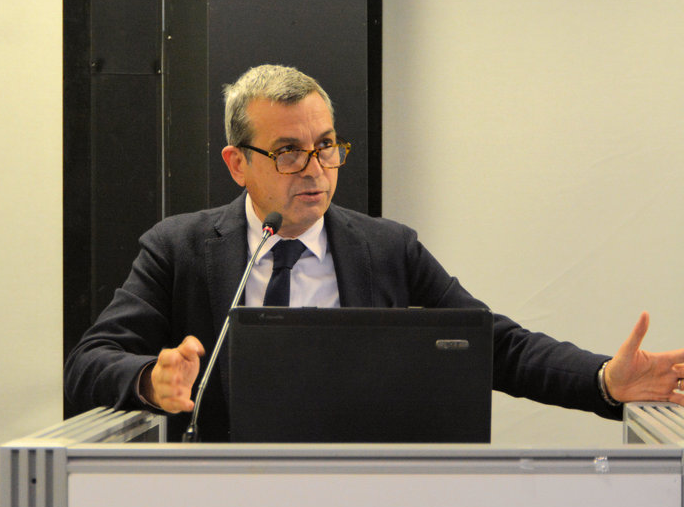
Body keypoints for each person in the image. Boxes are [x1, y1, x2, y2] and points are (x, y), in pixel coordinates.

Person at [64, 64, 684, 442]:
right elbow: (88, 363)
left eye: (327, 145)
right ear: (237, 164)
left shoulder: (387, 248)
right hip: (223, 493)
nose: (316, 169)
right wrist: (149, 380)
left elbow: (494, 345)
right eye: (288, 152)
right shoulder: (179, 248)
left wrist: (603, 380)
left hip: (361, 491)